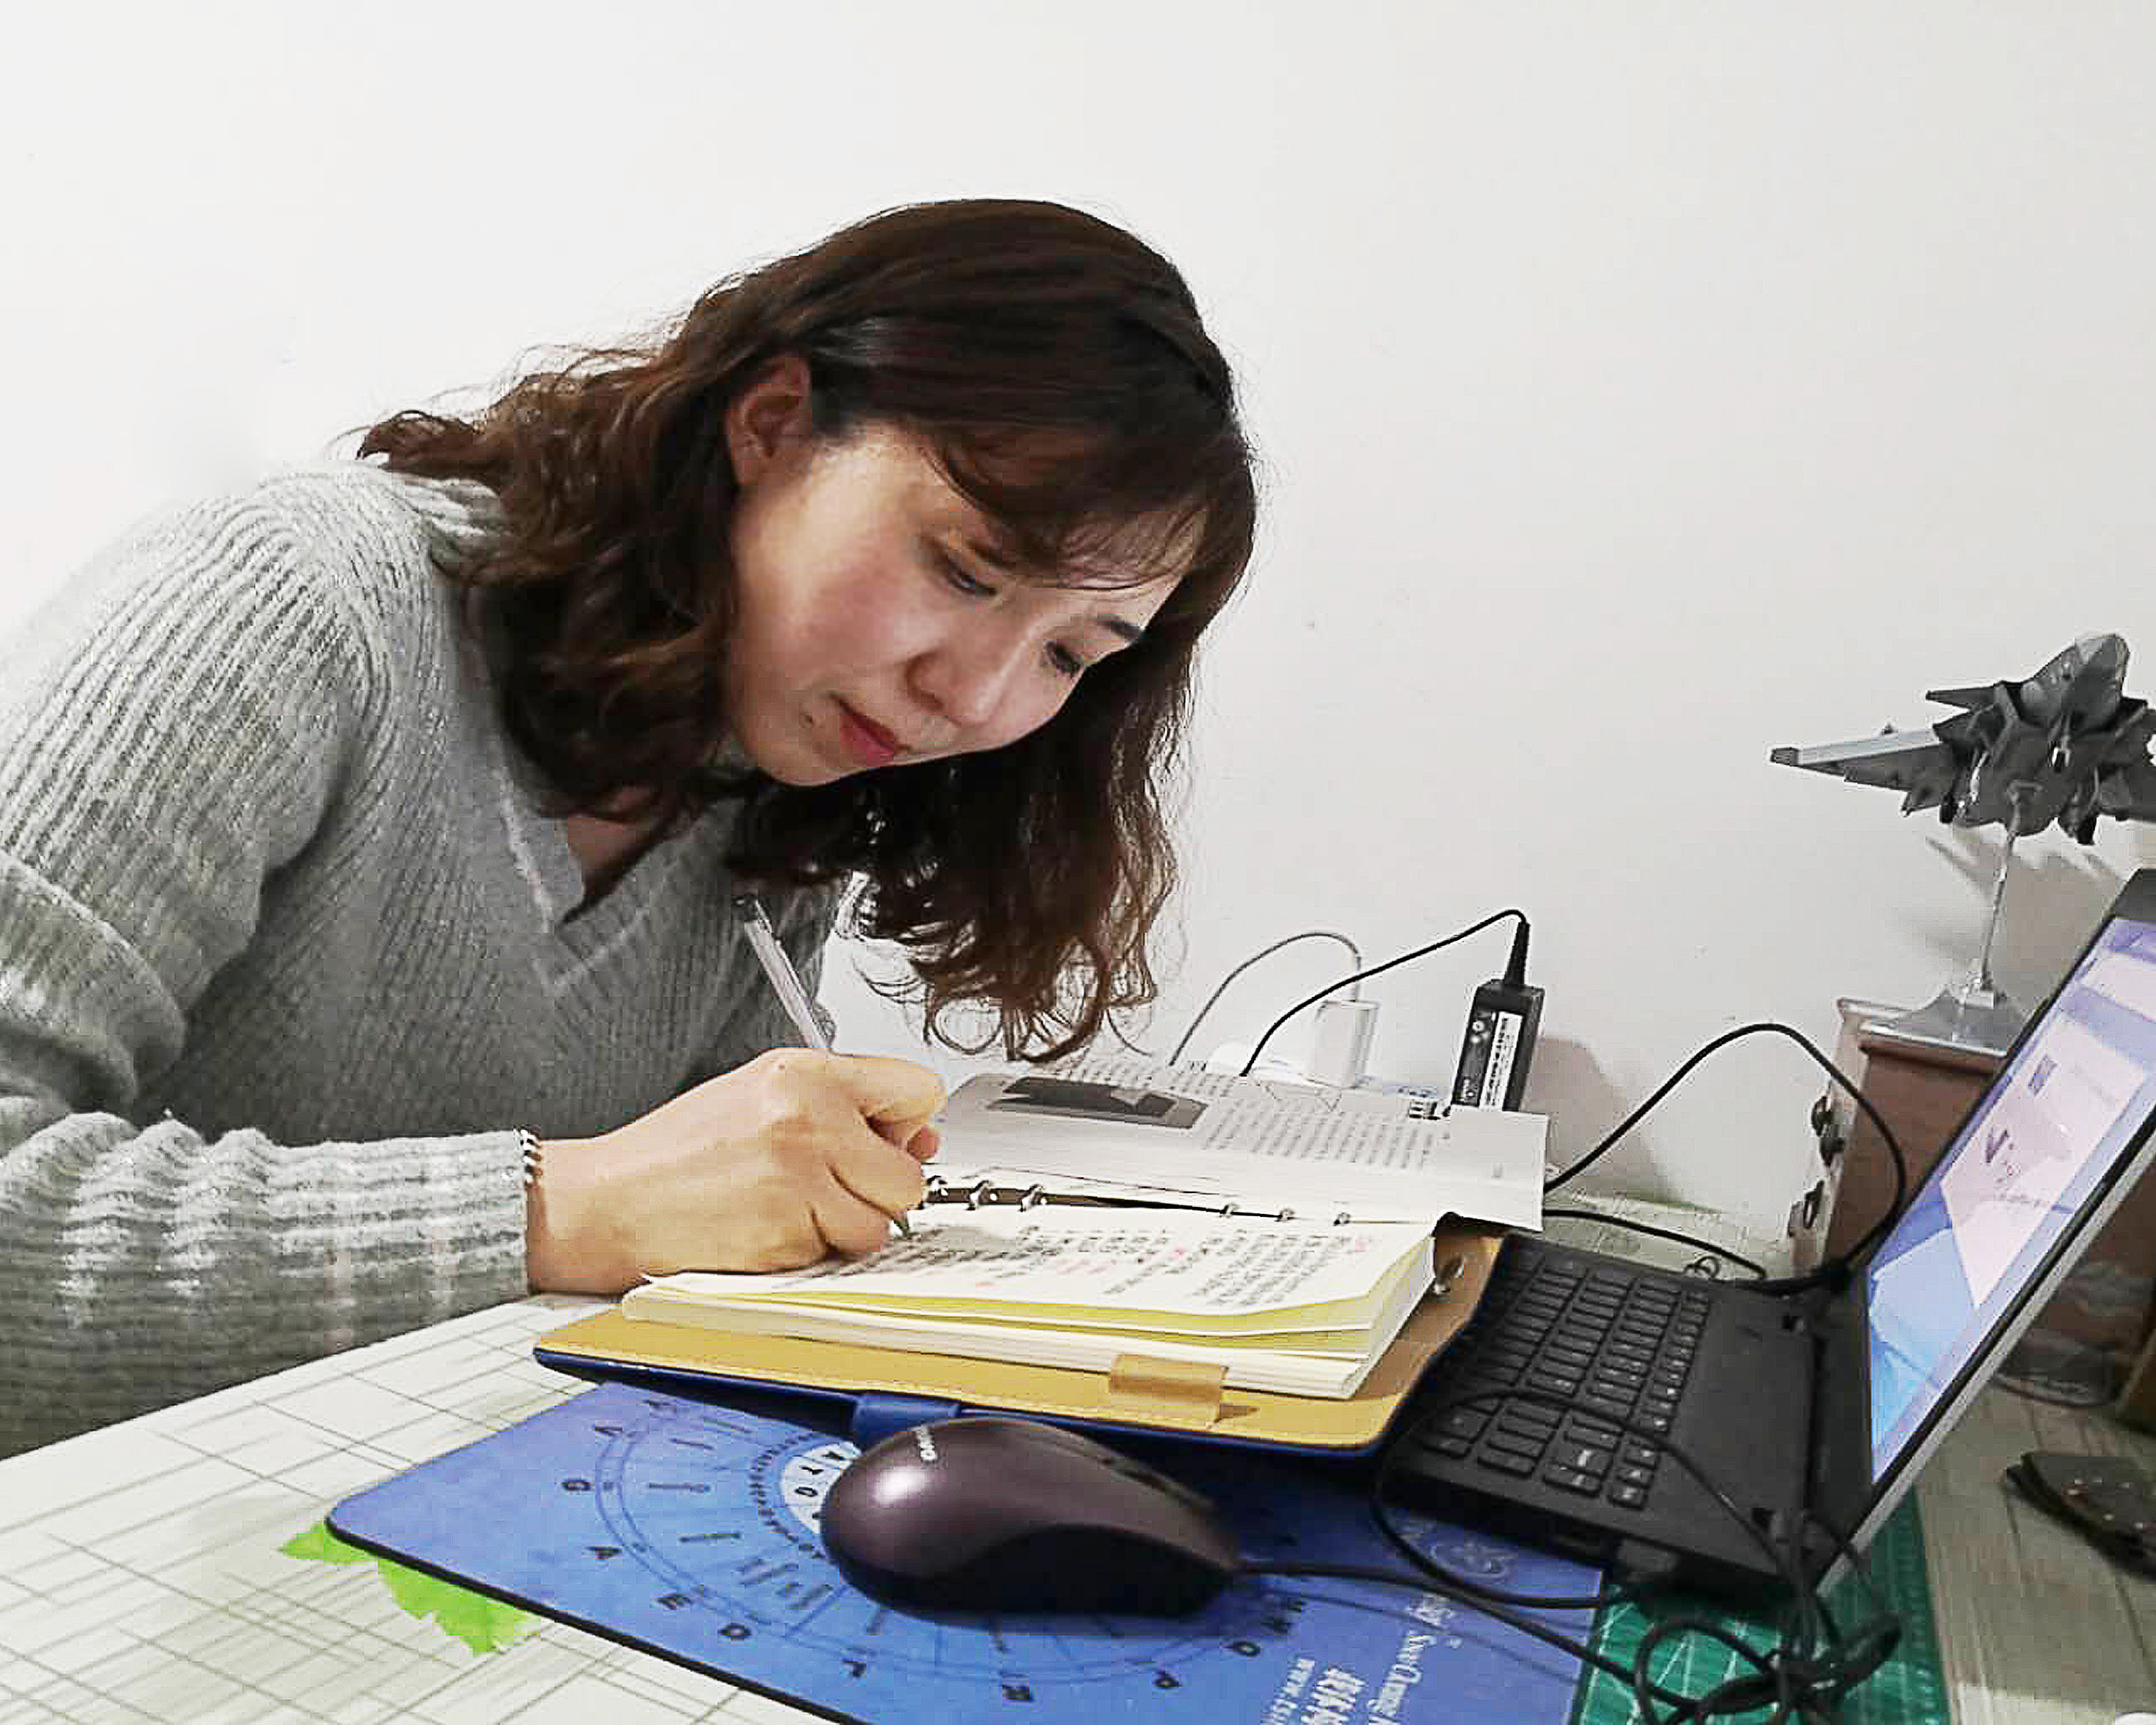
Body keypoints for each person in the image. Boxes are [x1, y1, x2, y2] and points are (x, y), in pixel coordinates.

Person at [0, 198, 1258, 1456]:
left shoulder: (775, 778)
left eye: (1071, 654)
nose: (976, 699)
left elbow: (692, 1253)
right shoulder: (296, 604)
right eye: (966, 571)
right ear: (771, 422)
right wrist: (560, 1209)